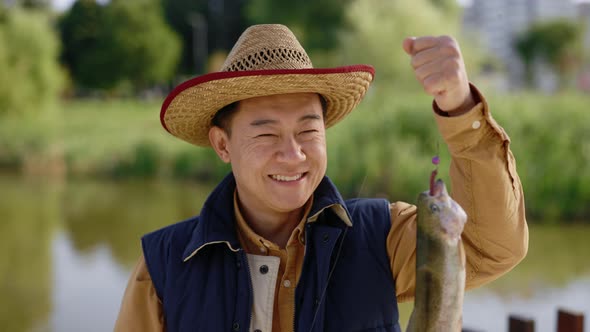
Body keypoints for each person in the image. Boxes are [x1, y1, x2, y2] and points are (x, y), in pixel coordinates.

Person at [114, 24, 528, 332]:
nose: (293, 154)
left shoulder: (384, 236)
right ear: (222, 145)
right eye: (266, 133)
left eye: (308, 130)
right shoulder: (161, 269)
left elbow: (493, 248)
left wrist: (459, 108)